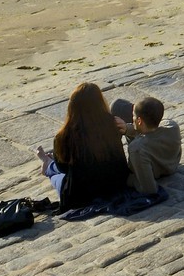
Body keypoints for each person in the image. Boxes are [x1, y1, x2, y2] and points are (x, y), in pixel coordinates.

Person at [36, 82, 130, 210]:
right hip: (116, 184)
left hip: (82, 194)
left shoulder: (64, 136)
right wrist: (126, 129)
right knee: (66, 167)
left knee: (57, 176)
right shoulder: (113, 123)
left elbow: (63, 169)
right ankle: (48, 162)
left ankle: (47, 165)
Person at [114, 95, 181, 195]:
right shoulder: (172, 126)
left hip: (150, 170)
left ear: (139, 121)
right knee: (118, 104)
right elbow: (153, 135)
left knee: (116, 107)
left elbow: (149, 189)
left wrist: (127, 179)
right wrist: (128, 128)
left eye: (133, 116)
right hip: (170, 165)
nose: (132, 119)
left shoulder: (137, 149)